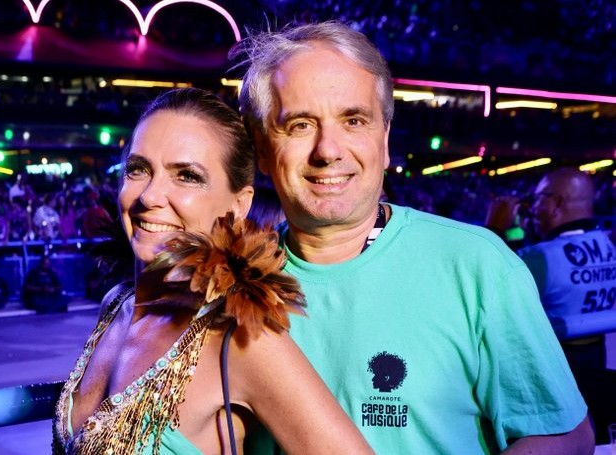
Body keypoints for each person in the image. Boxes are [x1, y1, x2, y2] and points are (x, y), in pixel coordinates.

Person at [230, 21, 594, 453]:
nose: (328, 150)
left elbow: (565, 434)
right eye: (300, 125)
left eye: (353, 120)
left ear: (384, 140)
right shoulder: (235, 282)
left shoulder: (474, 265)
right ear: (262, 147)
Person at [52, 88, 374, 454]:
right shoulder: (116, 305)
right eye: (138, 169)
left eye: (187, 176)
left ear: (238, 205)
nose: (150, 196)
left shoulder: (241, 335)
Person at [489, 167, 616, 444]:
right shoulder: (610, 245)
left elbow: (483, 284)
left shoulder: (539, 257)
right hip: (597, 362)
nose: (533, 209)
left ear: (556, 203)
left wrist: (495, 228)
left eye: (537, 200)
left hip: (552, 375)